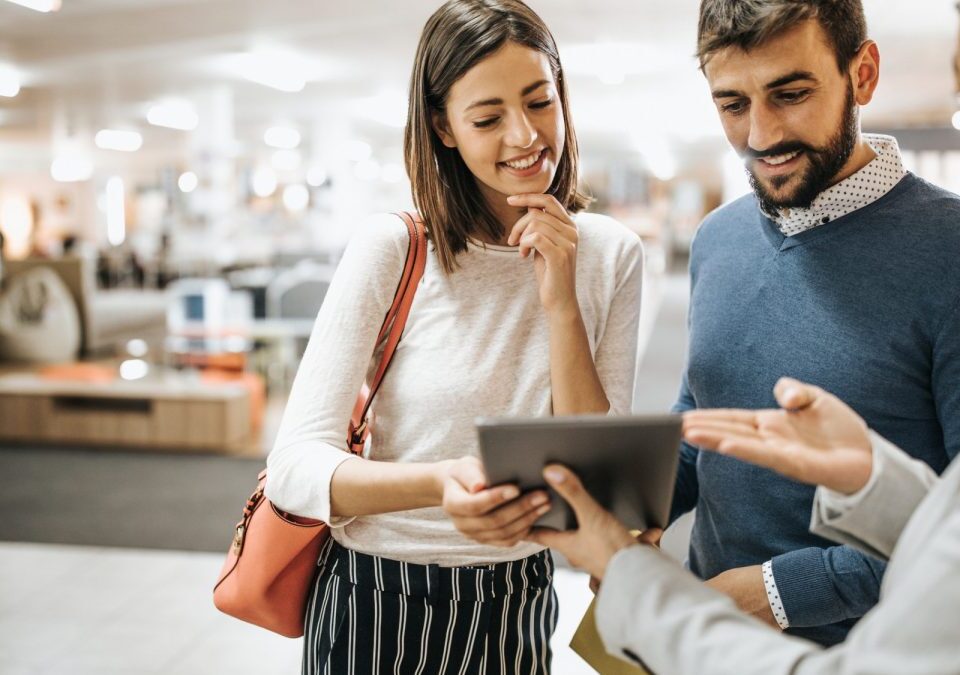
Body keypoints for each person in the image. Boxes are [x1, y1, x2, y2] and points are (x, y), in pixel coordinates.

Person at [264, 1, 644, 672]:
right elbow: (295, 472)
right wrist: (440, 484)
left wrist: (560, 302)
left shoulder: (610, 253)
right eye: (488, 118)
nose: (526, 136)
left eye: (539, 102)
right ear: (444, 128)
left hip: (518, 596)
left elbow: (594, 468)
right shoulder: (395, 247)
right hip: (379, 594)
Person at [666, 0, 960, 646]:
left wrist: (778, 593)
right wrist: (629, 515)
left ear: (863, 74)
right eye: (732, 104)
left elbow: (954, 530)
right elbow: (701, 419)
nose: (762, 135)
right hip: (709, 643)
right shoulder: (718, 239)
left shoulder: (951, 250)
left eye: (790, 93)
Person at [528, 378, 960, 675]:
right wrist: (876, 484)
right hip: (708, 627)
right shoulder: (719, 242)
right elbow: (697, 409)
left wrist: (637, 582)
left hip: (794, 642)